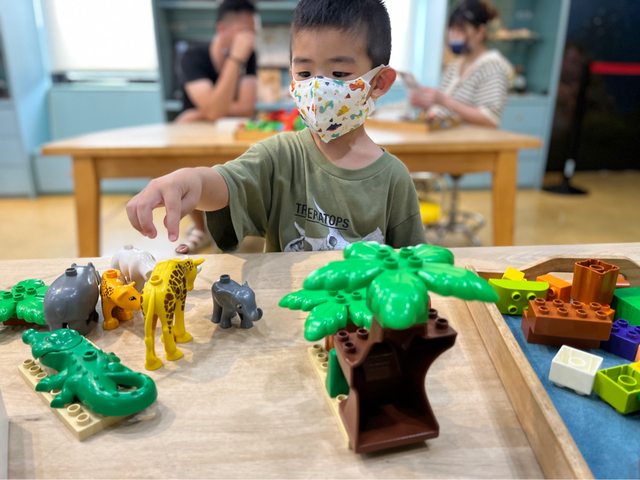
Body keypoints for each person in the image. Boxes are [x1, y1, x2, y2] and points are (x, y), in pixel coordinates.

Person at [126, 0, 425, 253]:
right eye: (304, 73)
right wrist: (189, 180)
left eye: (338, 73)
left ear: (379, 82)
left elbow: (412, 268)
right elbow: (225, 183)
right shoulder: (279, 156)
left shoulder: (394, 179)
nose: (317, 88)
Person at [174, 0, 258, 254]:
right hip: (193, 140)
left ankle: (232, 227)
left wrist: (201, 112)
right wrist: (235, 58)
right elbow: (215, 111)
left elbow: (245, 107)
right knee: (184, 165)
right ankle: (200, 228)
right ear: (222, 29)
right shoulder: (193, 56)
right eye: (244, 30)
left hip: (230, 135)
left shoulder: (250, 56)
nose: (250, 37)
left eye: (252, 30)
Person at [410, 0, 513, 128]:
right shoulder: (455, 65)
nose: (454, 36)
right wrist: (427, 103)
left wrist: (444, 101)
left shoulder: (492, 66)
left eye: (461, 30)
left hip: (468, 139)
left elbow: (490, 119)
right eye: (452, 29)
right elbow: (445, 110)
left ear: (480, 32)